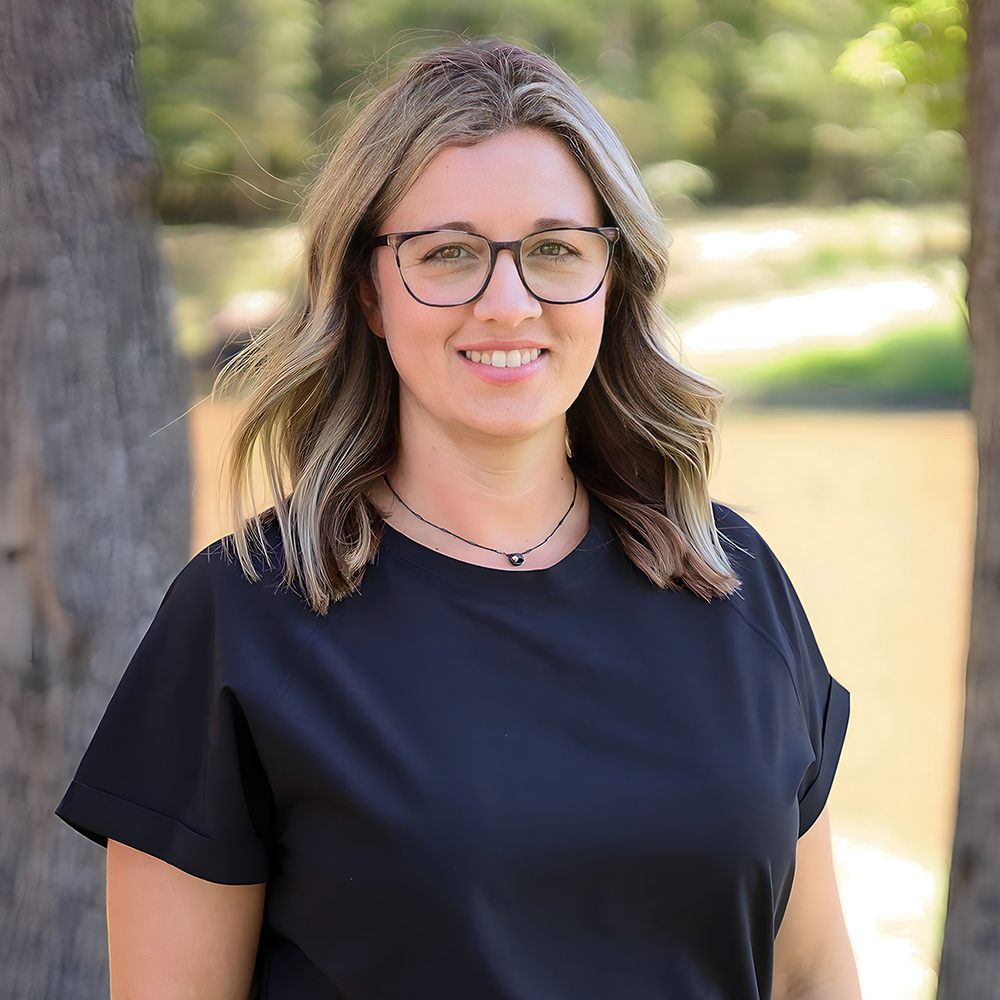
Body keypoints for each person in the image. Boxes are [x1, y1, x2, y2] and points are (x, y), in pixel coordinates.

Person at [54, 36, 859, 1000]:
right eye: (448, 254)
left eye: (555, 249)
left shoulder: (733, 582)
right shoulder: (245, 616)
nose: (507, 304)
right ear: (368, 291)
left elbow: (812, 978)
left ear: (612, 278)